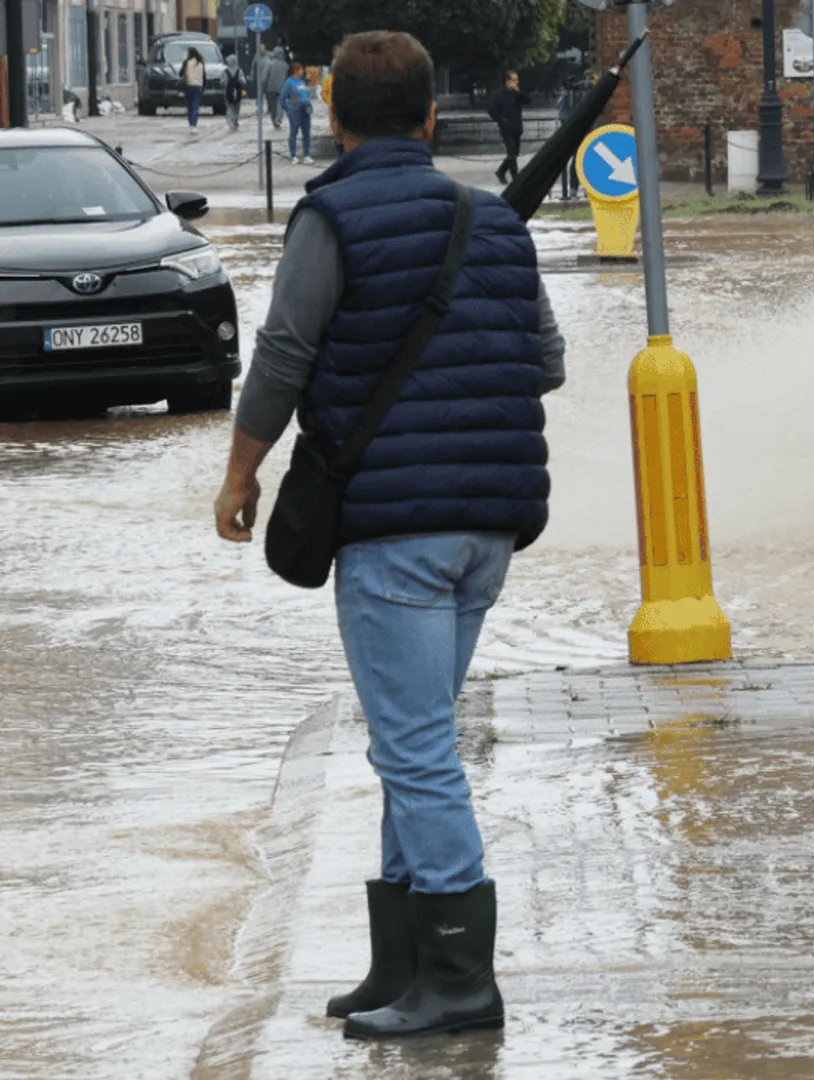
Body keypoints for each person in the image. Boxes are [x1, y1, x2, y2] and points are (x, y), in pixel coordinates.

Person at [213, 27, 565, 1041]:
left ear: (331, 116)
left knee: (415, 752)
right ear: (426, 117)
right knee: (412, 742)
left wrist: (241, 476)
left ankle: (460, 982)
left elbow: (282, 357)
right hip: (489, 527)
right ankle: (399, 965)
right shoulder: (492, 218)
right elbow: (544, 357)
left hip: (395, 531)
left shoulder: (329, 217)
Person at [487, 71, 528, 185]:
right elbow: (492, 110)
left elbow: (527, 100)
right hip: (506, 127)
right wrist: (501, 120)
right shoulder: (497, 95)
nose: (516, 82)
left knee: (515, 153)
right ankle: (515, 176)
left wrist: (519, 92)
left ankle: (501, 171)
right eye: (514, 80)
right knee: (512, 152)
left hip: (517, 126)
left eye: (517, 80)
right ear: (507, 81)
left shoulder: (517, 94)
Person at [282, 61, 313, 164]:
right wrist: (289, 109)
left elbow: (305, 94)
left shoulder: (302, 82)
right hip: (295, 111)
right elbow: (283, 98)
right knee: (294, 133)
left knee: (306, 133)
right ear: (295, 71)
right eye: (300, 69)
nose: (302, 71)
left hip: (305, 110)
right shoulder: (288, 83)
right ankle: (293, 155)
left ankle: (306, 155)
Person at [261, 47, 288, 129]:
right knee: (280, 105)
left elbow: (265, 78)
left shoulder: (269, 64)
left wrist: (263, 87)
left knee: (273, 107)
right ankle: (278, 118)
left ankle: (274, 121)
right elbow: (287, 78)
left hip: (271, 89)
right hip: (282, 88)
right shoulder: (285, 65)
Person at [181, 48, 207, 130]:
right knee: (196, 105)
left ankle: (190, 123)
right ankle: (194, 124)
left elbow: (180, 73)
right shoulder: (201, 63)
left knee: (189, 105)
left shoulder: (187, 62)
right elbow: (204, 76)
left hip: (189, 85)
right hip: (198, 86)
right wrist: (203, 87)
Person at [224, 61, 245, 131]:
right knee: (237, 107)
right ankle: (235, 119)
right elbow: (243, 80)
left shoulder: (225, 71)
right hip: (238, 91)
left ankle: (232, 118)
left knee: (230, 106)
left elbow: (223, 81)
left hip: (228, 92)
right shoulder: (239, 70)